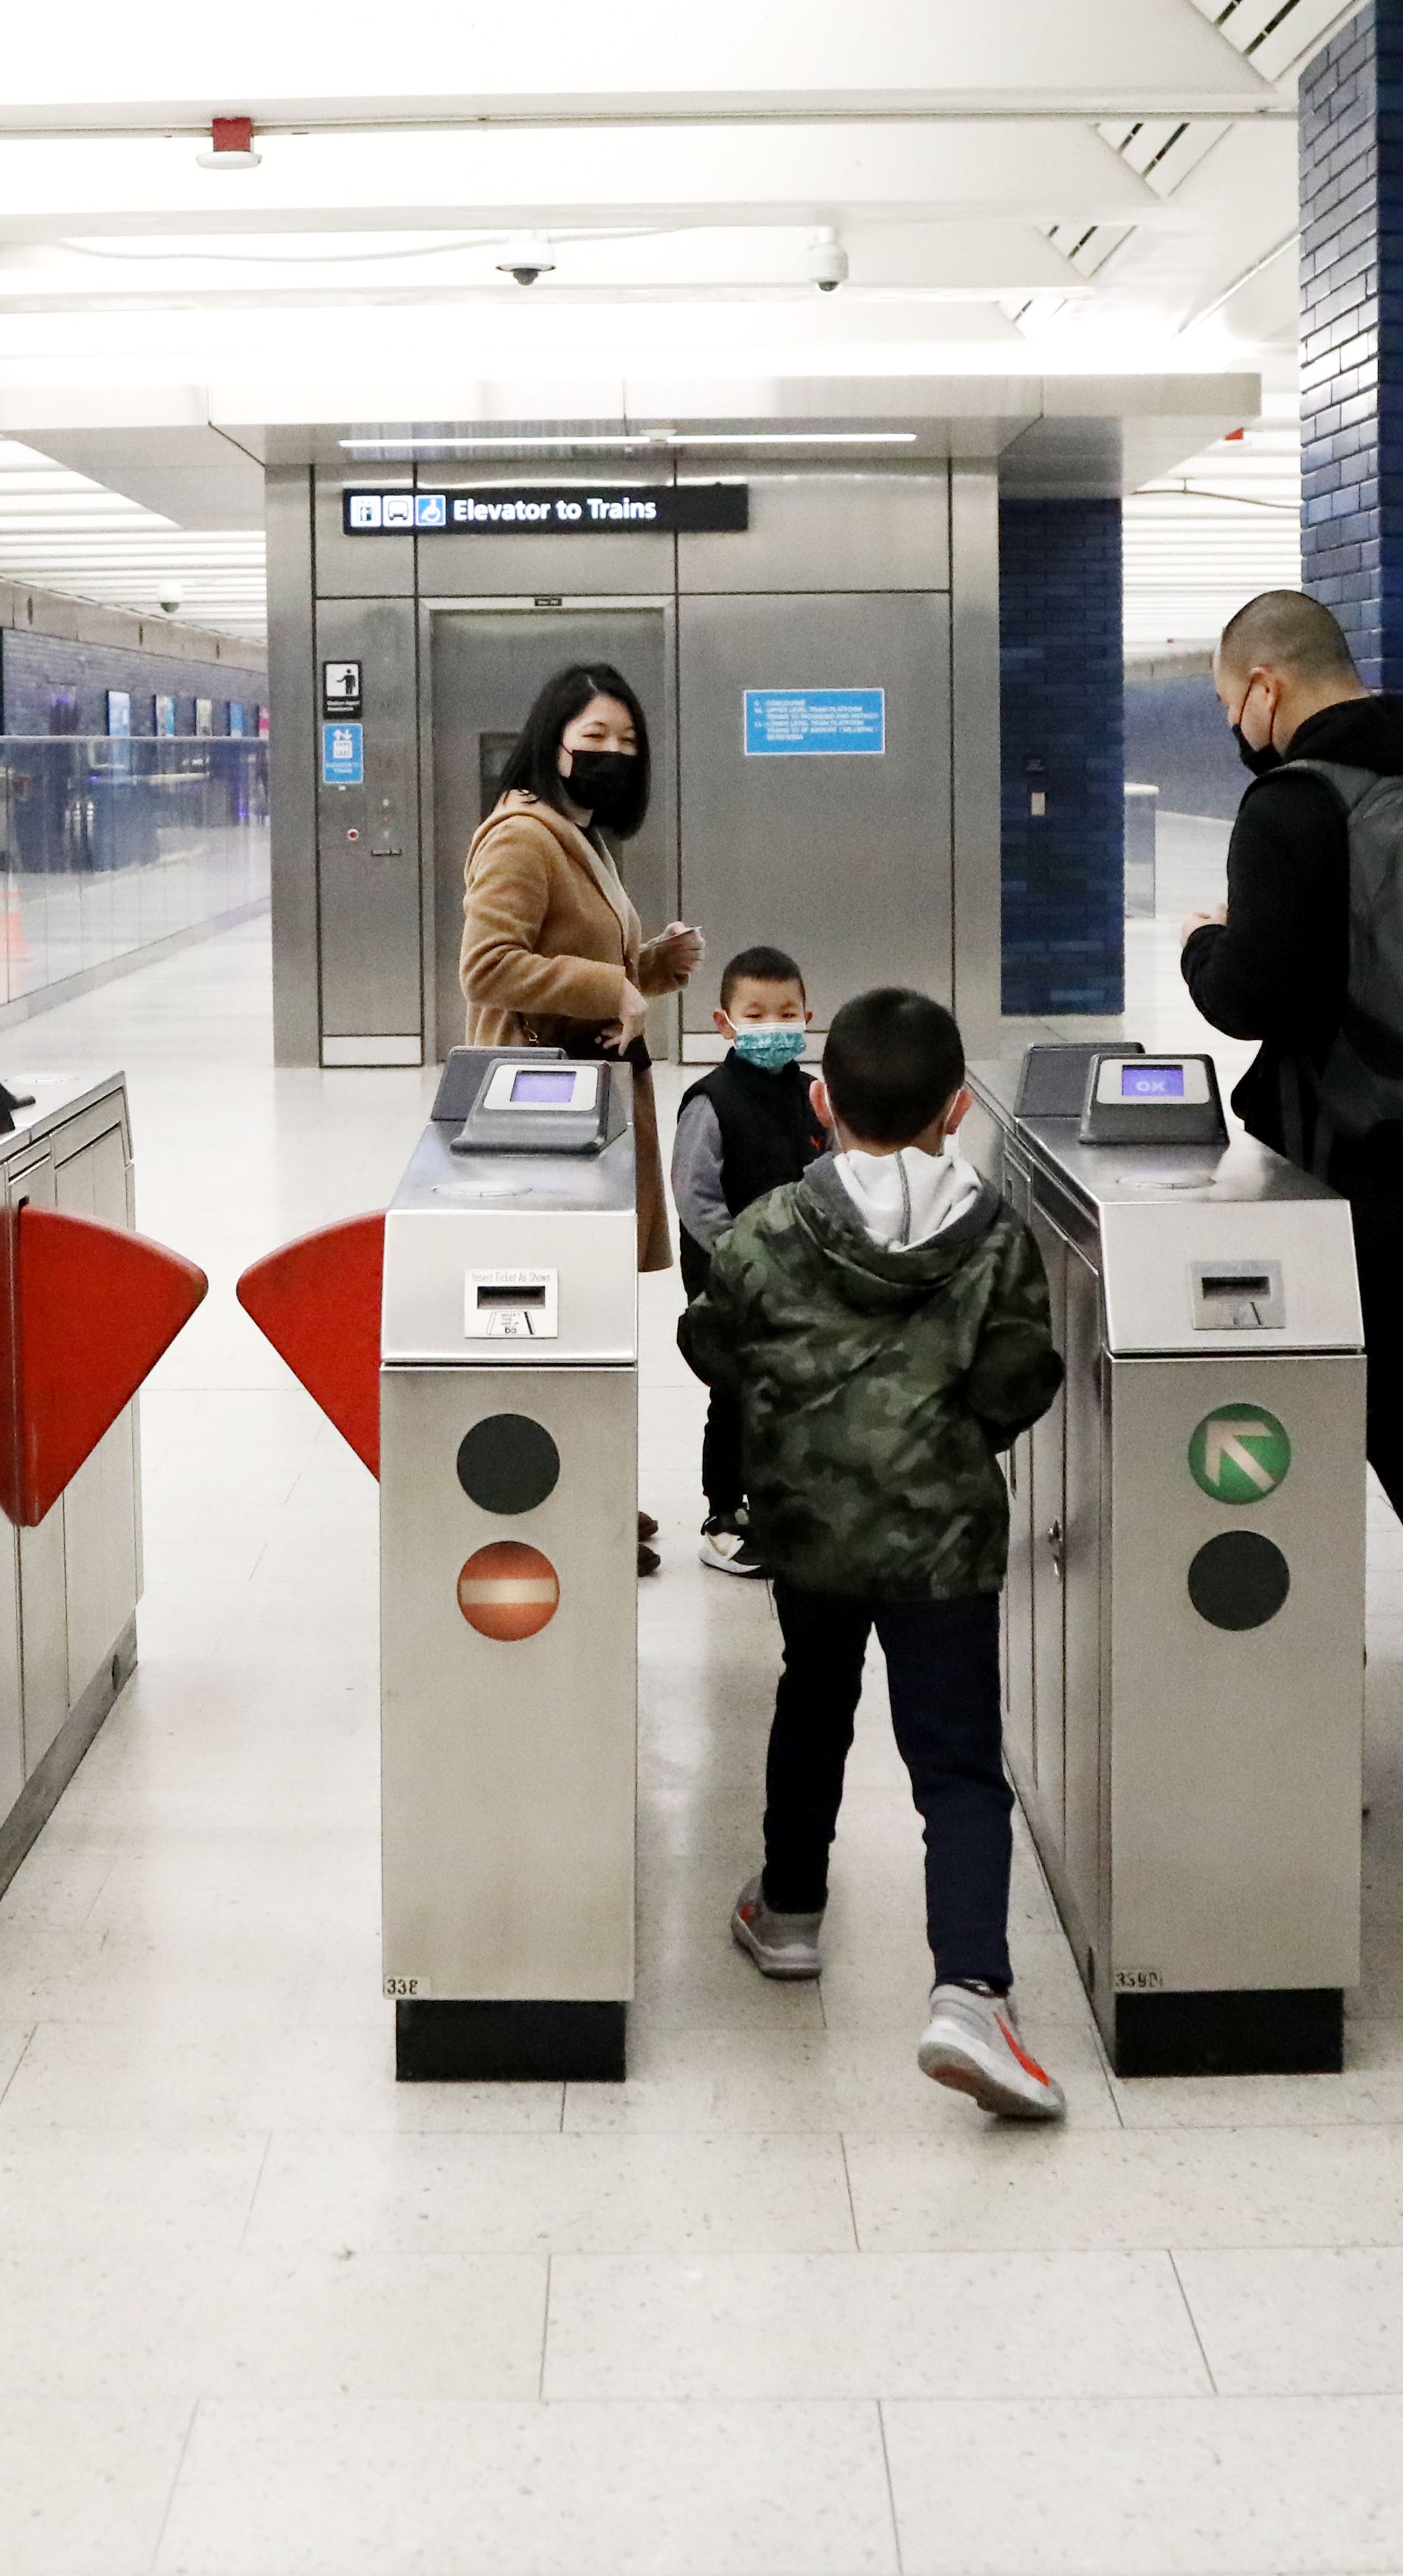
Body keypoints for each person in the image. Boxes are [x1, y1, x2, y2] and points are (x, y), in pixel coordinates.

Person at [680, 985, 1072, 2122]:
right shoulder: (995, 1235)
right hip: (944, 1539)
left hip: (810, 1530)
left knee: (813, 1702)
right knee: (956, 1765)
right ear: (958, 1111)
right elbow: (1017, 1379)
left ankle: (790, 1914)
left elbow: (712, 1344)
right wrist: (950, 1441)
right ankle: (970, 1993)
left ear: (819, 1101)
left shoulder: (765, 1228)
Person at [1178, 587, 1403, 1768]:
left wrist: (1202, 946)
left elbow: (1252, 997)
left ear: (1266, 688)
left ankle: (1292, 1649)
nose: (1240, 722)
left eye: (1235, 701)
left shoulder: (1293, 805)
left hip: (1351, 1175)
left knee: (1324, 1403)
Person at [457, 660, 701, 1569]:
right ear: (551, 739)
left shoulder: (583, 837)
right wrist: (609, 979)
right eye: (593, 737)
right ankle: (563, 1502)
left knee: (588, 1310)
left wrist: (648, 968)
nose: (610, 754)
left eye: (625, 742)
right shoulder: (523, 835)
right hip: (542, 1118)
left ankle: (592, 1491)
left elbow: (575, 967)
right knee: (553, 1310)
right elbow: (486, 967)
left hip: (590, 1101)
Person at [669, 945, 825, 1580]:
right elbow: (695, 1196)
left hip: (803, 1278)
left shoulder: (816, 1095)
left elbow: (834, 1175)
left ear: (809, 1017)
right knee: (733, 1395)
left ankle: (784, 1505)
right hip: (728, 1285)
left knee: (793, 1393)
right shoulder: (709, 1101)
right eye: (755, 1014)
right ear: (724, 1023)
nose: (773, 1025)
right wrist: (748, 1255)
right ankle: (723, 1517)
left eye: (786, 1013)